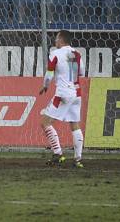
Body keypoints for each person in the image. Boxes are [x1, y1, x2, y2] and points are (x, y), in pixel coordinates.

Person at [40, 30, 85, 168]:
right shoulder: (76, 54)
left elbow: (49, 74)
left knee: (45, 122)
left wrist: (45, 86)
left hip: (63, 94)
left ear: (61, 39)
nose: (55, 41)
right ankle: (78, 160)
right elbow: (82, 72)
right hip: (76, 94)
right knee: (75, 125)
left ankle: (58, 154)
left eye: (56, 38)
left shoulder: (55, 53)